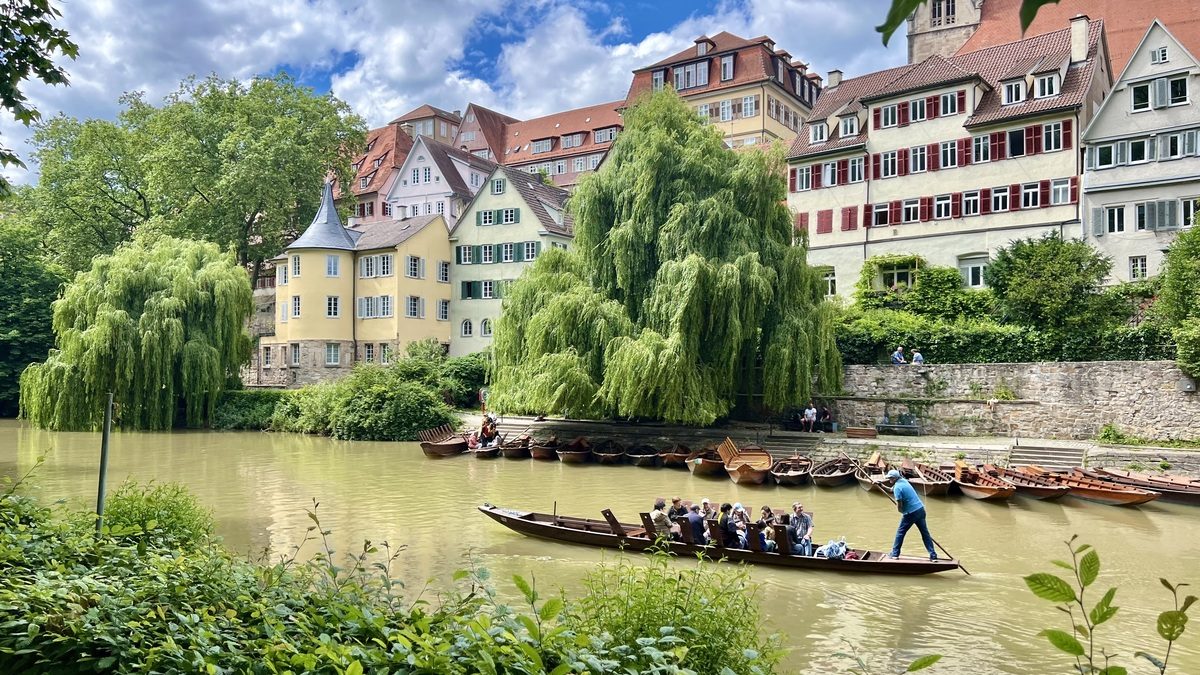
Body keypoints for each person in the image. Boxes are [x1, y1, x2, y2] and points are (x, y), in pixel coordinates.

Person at [885, 469, 938, 561]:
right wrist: (880, 485)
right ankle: (933, 556)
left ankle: (895, 554)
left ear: (894, 478)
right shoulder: (904, 481)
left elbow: (900, 505)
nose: (889, 480)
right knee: (925, 533)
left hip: (911, 513)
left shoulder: (897, 488)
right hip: (920, 510)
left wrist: (901, 511)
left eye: (890, 478)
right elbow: (890, 490)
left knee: (900, 533)